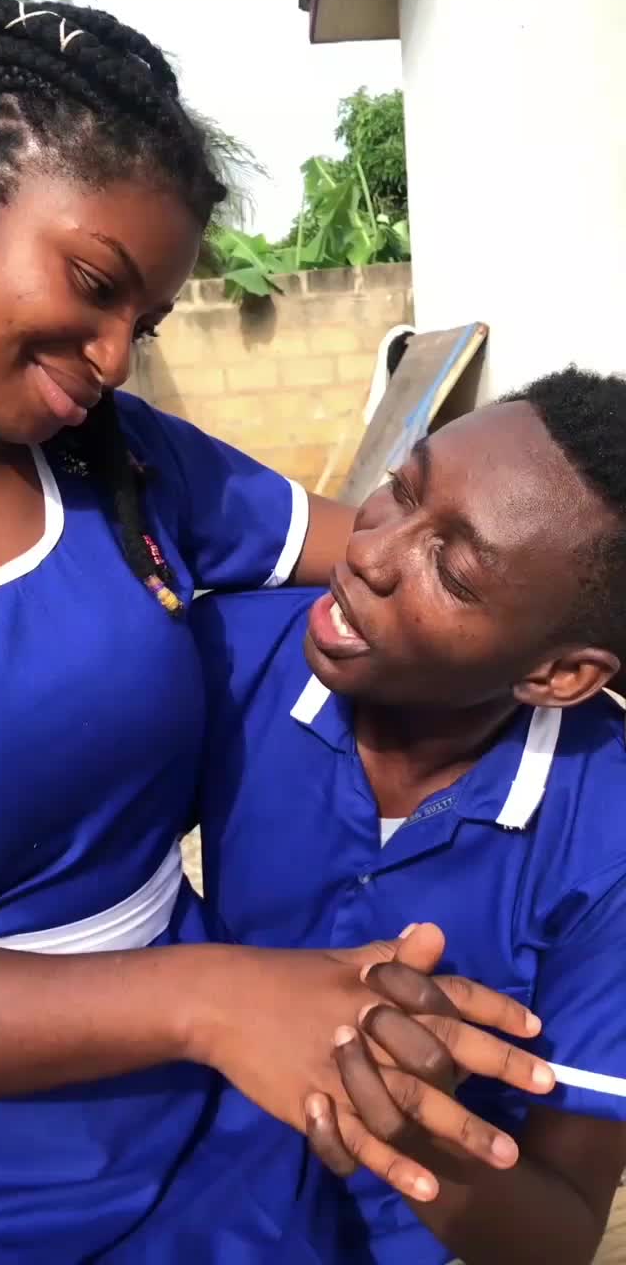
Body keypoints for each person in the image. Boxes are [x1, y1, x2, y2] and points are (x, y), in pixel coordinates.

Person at [0, 0, 555, 1262]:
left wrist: (559, 625)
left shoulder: (115, 466)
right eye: (95, 284)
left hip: (222, 1116)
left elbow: (386, 554)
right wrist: (205, 998)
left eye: (140, 324)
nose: (112, 357)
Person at [195, 366, 626, 1265]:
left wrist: (405, 1121)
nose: (370, 554)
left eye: (454, 572)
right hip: (182, 1195)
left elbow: (562, 1231)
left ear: (557, 675)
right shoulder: (234, 657)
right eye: (402, 487)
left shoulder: (607, 839)